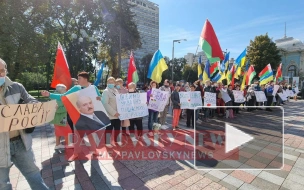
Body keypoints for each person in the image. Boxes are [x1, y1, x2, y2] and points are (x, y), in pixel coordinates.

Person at [0, 58, 49, 190]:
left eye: (2, 71)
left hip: (21, 142)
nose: (0, 74)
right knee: (3, 184)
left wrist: (33, 107)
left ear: (6, 71)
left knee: (34, 176)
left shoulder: (16, 87)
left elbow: (32, 101)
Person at [50, 84, 73, 150]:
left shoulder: (54, 96)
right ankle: (69, 144)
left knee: (58, 132)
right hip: (60, 118)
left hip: (56, 118)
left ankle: (57, 145)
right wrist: (68, 107)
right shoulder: (59, 98)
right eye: (65, 90)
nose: (66, 91)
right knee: (68, 131)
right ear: (61, 90)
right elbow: (57, 110)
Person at [101, 77, 121, 145]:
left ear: (115, 83)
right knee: (109, 129)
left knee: (117, 129)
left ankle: (117, 140)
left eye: (112, 82)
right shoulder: (106, 92)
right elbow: (105, 103)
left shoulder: (116, 91)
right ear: (107, 83)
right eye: (109, 82)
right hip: (110, 115)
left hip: (118, 114)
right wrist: (114, 112)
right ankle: (107, 142)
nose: (111, 84)